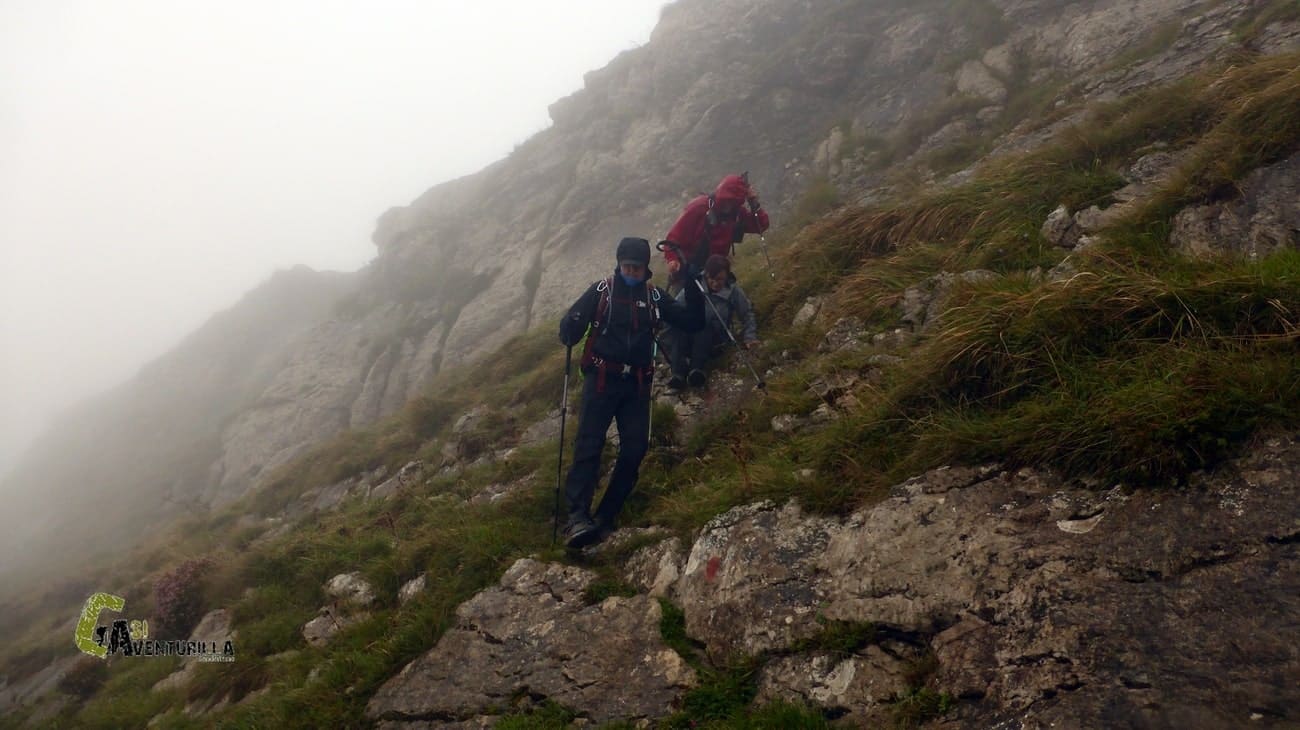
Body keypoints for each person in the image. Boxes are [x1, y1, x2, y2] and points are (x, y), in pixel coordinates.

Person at [557, 237, 705, 549]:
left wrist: (690, 279)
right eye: (627, 266)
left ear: (646, 269)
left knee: (635, 449)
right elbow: (568, 332)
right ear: (619, 264)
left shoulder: (654, 296)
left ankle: (605, 516)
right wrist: (569, 325)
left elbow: (693, 322)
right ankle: (576, 518)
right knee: (588, 447)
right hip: (601, 379)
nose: (631, 272)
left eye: (637, 268)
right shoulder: (602, 290)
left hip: (637, 385)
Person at [662, 173, 770, 290]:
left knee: (725, 304)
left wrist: (754, 202)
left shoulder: (737, 213)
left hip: (716, 272)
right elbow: (673, 238)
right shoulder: (699, 207)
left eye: (733, 201)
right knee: (686, 306)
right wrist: (672, 259)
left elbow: (761, 225)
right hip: (687, 270)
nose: (728, 205)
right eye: (727, 200)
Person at [669, 255, 759, 389]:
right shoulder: (695, 285)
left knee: (704, 327)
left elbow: (747, 314)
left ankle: (697, 370)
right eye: (711, 279)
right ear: (706, 274)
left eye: (720, 279)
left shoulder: (733, 291)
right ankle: (678, 374)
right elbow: (675, 308)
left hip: (715, 340)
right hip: (690, 336)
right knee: (681, 327)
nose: (715, 283)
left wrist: (750, 336)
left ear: (727, 276)